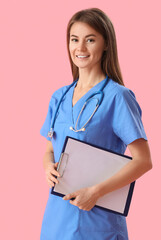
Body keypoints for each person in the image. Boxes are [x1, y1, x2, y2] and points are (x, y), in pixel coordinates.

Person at [39, 8, 152, 240]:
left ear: (106, 44)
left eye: (90, 40)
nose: (80, 48)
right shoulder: (59, 97)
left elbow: (143, 161)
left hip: (97, 221)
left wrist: (95, 192)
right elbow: (51, 148)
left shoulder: (118, 97)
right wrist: (47, 166)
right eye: (74, 40)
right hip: (57, 219)